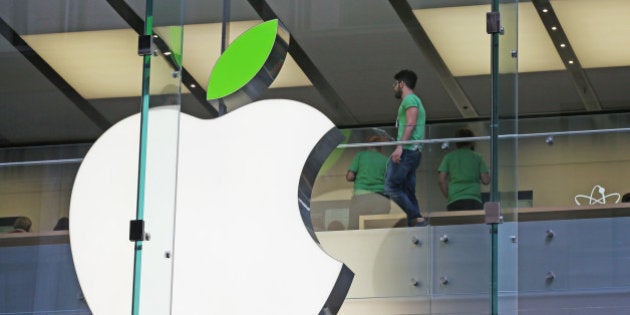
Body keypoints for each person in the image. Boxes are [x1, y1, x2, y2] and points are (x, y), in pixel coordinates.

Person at [384, 69, 428, 227]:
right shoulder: (414, 100)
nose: (394, 87)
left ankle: (416, 217)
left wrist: (399, 146)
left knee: (391, 186)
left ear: (402, 83)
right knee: (407, 190)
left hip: (408, 150)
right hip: (413, 151)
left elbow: (411, 123)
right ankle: (416, 223)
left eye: (395, 84)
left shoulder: (409, 99)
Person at [438, 128, 490, 211]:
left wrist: (449, 196)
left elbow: (441, 180)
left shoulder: (449, 157)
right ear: (472, 141)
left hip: (454, 199)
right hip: (473, 199)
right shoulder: (478, 157)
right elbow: (486, 180)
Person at [346, 135, 391, 230]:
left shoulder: (361, 155)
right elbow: (390, 181)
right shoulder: (386, 160)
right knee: (377, 228)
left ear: (368, 146)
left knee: (354, 228)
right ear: (380, 147)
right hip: (381, 199)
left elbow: (350, 176)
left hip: (361, 198)